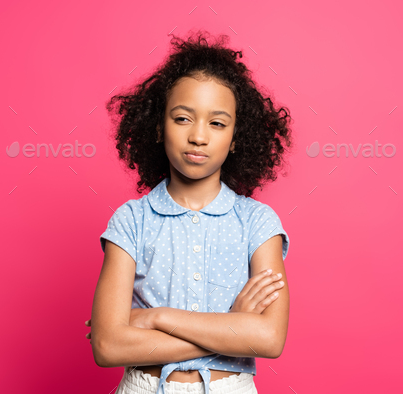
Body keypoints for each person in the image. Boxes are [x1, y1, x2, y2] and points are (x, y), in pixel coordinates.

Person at [85, 30, 293, 394]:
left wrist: (153, 319)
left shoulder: (258, 223)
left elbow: (270, 338)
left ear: (235, 138)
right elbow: (107, 346)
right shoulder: (131, 221)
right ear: (158, 126)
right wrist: (231, 328)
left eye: (217, 123)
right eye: (183, 118)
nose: (199, 136)